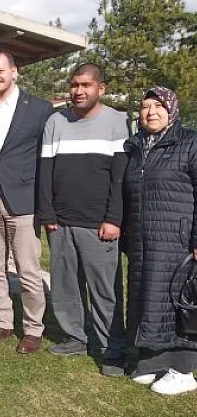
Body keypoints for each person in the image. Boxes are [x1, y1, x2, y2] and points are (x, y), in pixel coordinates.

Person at [37, 63, 129, 375]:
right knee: (65, 287)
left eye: (86, 85)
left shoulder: (118, 121)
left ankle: (111, 349)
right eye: (74, 84)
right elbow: (45, 172)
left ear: (100, 88)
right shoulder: (55, 121)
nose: (78, 91)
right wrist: (47, 213)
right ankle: (75, 337)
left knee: (105, 291)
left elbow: (120, 178)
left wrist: (114, 219)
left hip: (100, 225)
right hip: (60, 223)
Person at [0, 50, 54, 354]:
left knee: (28, 269)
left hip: (24, 199)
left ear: (14, 72)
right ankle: (2, 322)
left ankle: (33, 329)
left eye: (0, 71)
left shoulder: (40, 109)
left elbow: (46, 156)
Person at [123, 86, 197, 395]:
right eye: (145, 106)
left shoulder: (189, 142)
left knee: (178, 302)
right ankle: (153, 362)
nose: (151, 111)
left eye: (158, 105)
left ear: (172, 109)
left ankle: (183, 370)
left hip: (177, 239)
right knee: (149, 299)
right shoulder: (137, 145)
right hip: (143, 238)